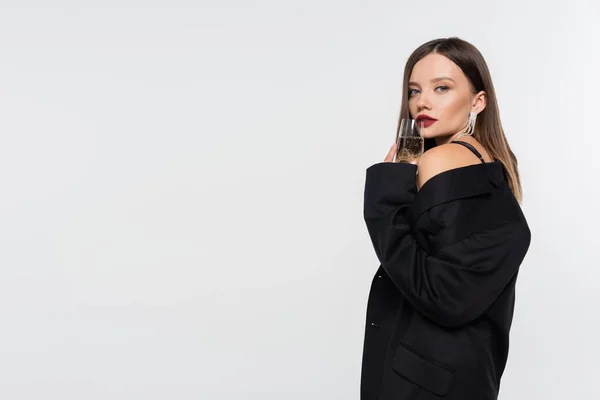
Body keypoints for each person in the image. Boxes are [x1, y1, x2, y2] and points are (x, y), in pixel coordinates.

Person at [361, 37, 531, 400]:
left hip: (424, 380)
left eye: (442, 88)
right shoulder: (492, 166)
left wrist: (384, 203)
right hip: (464, 374)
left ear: (478, 101)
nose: (422, 101)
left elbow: (440, 294)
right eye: (414, 90)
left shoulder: (440, 160)